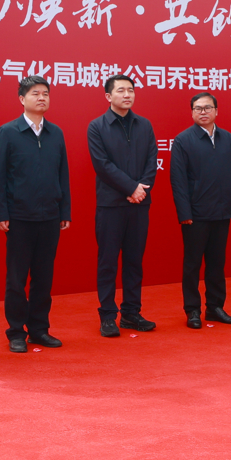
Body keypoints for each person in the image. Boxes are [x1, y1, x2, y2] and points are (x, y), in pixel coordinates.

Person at [0, 75, 71, 352]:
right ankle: (15, 332)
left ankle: (39, 329)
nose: (41, 98)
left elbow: (63, 174)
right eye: (35, 93)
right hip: (19, 218)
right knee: (16, 279)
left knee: (43, 277)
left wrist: (64, 210)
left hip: (50, 216)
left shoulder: (56, 133)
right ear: (22, 99)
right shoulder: (8, 132)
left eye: (45, 93)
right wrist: (1, 212)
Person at [87, 74, 159, 337]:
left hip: (139, 204)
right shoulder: (97, 126)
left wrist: (140, 189)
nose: (127, 95)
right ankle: (108, 315)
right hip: (111, 205)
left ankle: (131, 312)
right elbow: (102, 165)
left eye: (131, 90)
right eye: (121, 90)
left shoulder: (144, 125)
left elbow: (152, 159)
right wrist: (131, 188)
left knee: (134, 261)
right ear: (108, 96)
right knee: (108, 262)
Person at [169, 91, 231, 329]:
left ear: (216, 111)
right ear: (192, 112)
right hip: (196, 214)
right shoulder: (183, 140)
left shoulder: (228, 138)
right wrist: (184, 213)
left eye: (208, 108)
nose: (203, 112)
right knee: (192, 264)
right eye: (198, 108)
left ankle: (215, 307)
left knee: (217, 263)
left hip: (223, 211)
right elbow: (178, 181)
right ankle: (192, 310)